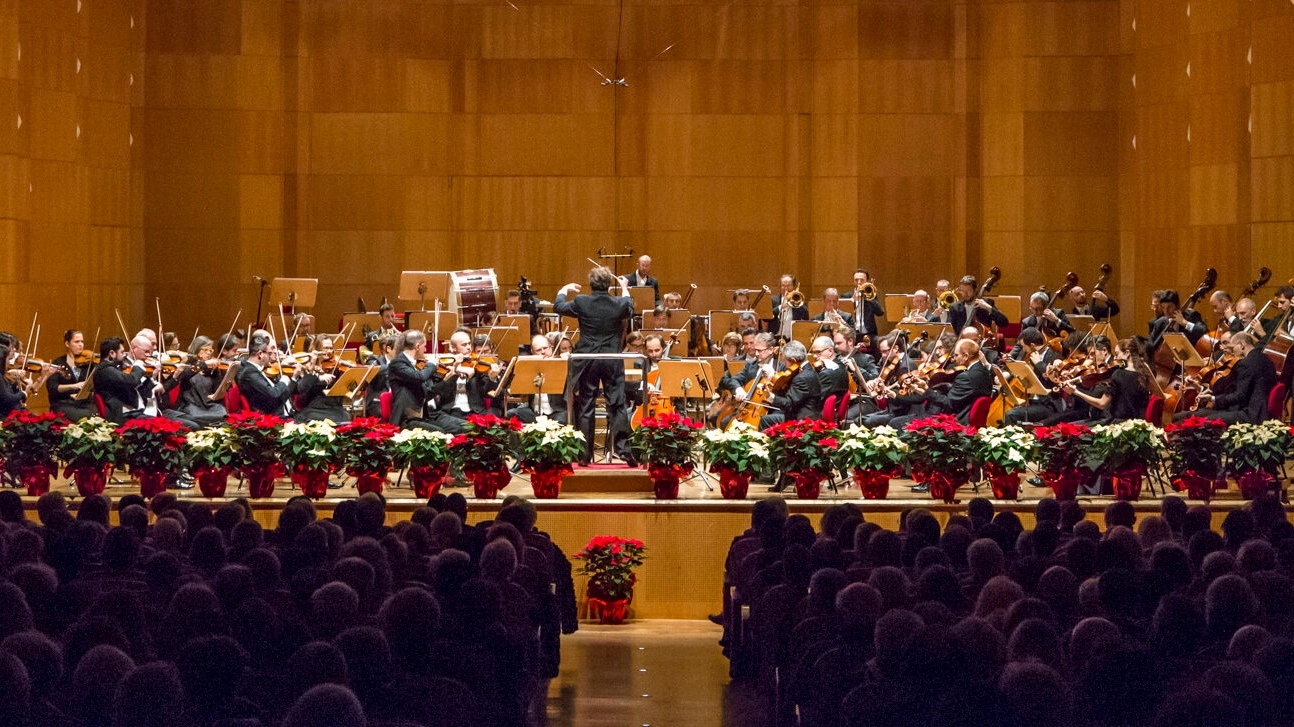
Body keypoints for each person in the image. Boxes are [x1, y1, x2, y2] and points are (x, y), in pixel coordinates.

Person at [554, 266, 635, 465]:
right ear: (609, 284)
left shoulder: (582, 301)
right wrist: (624, 287)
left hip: (587, 358)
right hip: (611, 358)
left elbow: (558, 306)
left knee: (586, 405)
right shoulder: (617, 302)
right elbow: (629, 308)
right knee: (616, 404)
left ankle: (583, 454)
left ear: (591, 284)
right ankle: (624, 451)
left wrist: (564, 289)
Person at [1189, 331, 1277, 424]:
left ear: (1241, 345)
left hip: (1250, 414)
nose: (1233, 352)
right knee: (1204, 417)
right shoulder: (1265, 358)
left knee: (1204, 421)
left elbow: (1240, 395)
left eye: (1234, 347)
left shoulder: (1245, 363)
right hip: (1261, 411)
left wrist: (1213, 399)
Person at [1065, 338, 1152, 423]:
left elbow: (1102, 404)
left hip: (1118, 425)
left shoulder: (1118, 374)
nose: (1115, 358)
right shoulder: (1145, 373)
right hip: (1140, 424)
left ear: (1127, 353)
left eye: (1117, 354)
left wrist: (1076, 392)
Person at [161, 336, 228, 428]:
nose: (208, 353)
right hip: (190, 405)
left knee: (222, 412)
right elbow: (185, 375)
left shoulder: (211, 371)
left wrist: (217, 373)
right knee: (195, 417)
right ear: (197, 349)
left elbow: (217, 390)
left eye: (210, 350)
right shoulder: (187, 365)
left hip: (207, 405)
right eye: (205, 349)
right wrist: (203, 365)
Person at [1002, 327, 1063, 425]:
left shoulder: (1054, 357)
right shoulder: (1029, 356)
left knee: (1011, 414)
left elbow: (1054, 380)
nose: (1023, 350)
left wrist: (1039, 363)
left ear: (1032, 345)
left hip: (1048, 404)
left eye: (1024, 347)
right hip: (1032, 400)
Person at [757, 341, 821, 430]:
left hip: (803, 419)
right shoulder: (809, 370)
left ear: (793, 360)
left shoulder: (802, 377)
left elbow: (788, 404)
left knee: (764, 420)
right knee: (774, 413)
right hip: (806, 411)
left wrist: (770, 396)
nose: (784, 364)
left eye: (784, 361)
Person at [291, 334, 351, 423]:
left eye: (331, 348)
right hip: (313, 409)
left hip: (334, 408)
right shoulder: (307, 367)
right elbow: (300, 388)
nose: (329, 351)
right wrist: (317, 376)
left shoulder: (336, 368)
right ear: (317, 349)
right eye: (326, 348)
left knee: (346, 417)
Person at [509, 334, 567, 424]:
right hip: (534, 412)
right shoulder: (527, 366)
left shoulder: (560, 364)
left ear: (551, 347)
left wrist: (567, 364)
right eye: (538, 350)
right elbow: (515, 393)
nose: (543, 352)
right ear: (532, 351)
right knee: (511, 414)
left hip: (555, 411)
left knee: (563, 419)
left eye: (545, 348)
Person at [234, 334, 296, 416]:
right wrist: (283, 381)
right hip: (273, 418)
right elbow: (273, 394)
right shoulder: (250, 373)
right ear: (260, 354)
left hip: (286, 413)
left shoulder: (258, 369)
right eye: (269, 353)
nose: (271, 357)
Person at [94, 337, 148, 424]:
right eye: (122, 352)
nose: (125, 355)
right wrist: (138, 367)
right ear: (112, 353)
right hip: (120, 417)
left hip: (130, 413)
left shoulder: (113, 368)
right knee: (159, 425)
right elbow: (132, 380)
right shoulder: (105, 370)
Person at [46, 329, 96, 421]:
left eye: (82, 341)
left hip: (84, 403)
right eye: (77, 342)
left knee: (99, 414)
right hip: (64, 403)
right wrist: (74, 386)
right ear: (67, 344)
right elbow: (53, 387)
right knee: (84, 416)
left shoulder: (88, 363)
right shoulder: (59, 363)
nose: (81, 344)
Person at [841, 269, 885, 337]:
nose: (859, 282)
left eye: (862, 280)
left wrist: (869, 297)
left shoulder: (871, 295)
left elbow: (880, 313)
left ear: (866, 281)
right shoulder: (846, 296)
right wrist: (852, 300)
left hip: (870, 333)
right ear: (853, 281)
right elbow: (842, 315)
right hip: (851, 333)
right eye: (856, 280)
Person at [363, 333, 396, 419]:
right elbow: (374, 370)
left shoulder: (403, 362)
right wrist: (396, 366)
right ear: (388, 348)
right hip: (377, 402)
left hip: (397, 401)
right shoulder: (374, 359)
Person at [771, 274, 808, 341]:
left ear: (793, 286)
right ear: (780, 286)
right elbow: (768, 316)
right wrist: (781, 307)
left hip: (793, 337)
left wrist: (796, 302)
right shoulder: (773, 299)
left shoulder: (797, 298)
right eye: (783, 286)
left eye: (788, 286)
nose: (786, 288)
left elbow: (805, 316)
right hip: (776, 337)